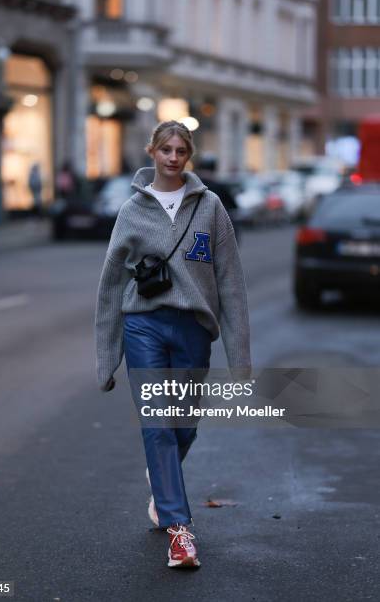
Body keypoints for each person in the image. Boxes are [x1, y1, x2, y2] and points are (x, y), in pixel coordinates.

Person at [95, 120, 250, 568]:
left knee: (184, 426)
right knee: (158, 425)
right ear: (152, 152)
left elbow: (231, 284)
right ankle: (179, 532)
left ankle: (162, 480)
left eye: (181, 149)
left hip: (192, 330)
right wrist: (107, 358)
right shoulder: (132, 210)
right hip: (143, 325)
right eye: (166, 149)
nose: (173, 157)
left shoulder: (210, 207)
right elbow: (110, 285)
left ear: (189, 154)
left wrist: (240, 360)